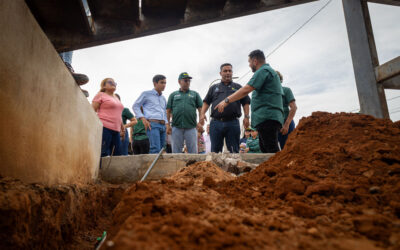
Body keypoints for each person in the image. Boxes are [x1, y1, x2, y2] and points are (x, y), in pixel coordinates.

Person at [215, 50, 284, 153]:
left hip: (267, 118)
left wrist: (227, 100)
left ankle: (278, 169)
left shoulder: (263, 71)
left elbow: (247, 89)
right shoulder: (268, 71)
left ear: (255, 61)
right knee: (266, 149)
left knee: (271, 150)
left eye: (249, 62)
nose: (249, 65)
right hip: (267, 118)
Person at [200, 63, 251, 153]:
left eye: (230, 71)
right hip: (216, 123)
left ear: (232, 72)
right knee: (215, 152)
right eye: (225, 71)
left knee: (233, 151)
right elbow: (206, 102)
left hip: (233, 123)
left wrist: (246, 117)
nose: (228, 73)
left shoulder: (238, 87)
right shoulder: (213, 88)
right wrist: (202, 113)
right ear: (220, 73)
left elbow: (246, 102)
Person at [167, 72, 203, 154]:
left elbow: (201, 108)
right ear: (179, 81)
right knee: (176, 153)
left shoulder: (195, 94)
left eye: (189, 81)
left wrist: (201, 120)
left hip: (191, 127)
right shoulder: (173, 95)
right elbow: (168, 111)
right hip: (176, 127)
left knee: (193, 152)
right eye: (185, 80)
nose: (187, 82)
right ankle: (177, 167)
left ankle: (193, 166)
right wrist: (167, 125)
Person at [133, 75, 168, 154]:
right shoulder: (146, 94)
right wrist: (143, 118)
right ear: (155, 83)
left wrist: (167, 124)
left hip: (163, 126)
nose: (164, 85)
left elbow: (164, 112)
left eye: (165, 83)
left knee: (163, 150)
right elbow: (135, 106)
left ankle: (160, 167)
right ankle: (153, 166)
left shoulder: (163, 98)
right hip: (153, 124)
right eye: (162, 82)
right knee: (155, 149)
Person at [92, 78, 125, 157]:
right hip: (105, 127)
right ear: (103, 86)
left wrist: (122, 128)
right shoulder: (100, 95)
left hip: (116, 130)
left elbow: (118, 114)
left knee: (118, 154)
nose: (113, 84)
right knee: (104, 153)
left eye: (115, 83)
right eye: (110, 82)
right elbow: (92, 111)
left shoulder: (116, 98)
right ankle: (100, 169)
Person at [276, 71, 297, 149]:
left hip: (286, 122)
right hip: (274, 124)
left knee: (288, 148)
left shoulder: (286, 90)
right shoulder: (269, 94)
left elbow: (293, 107)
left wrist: (286, 124)